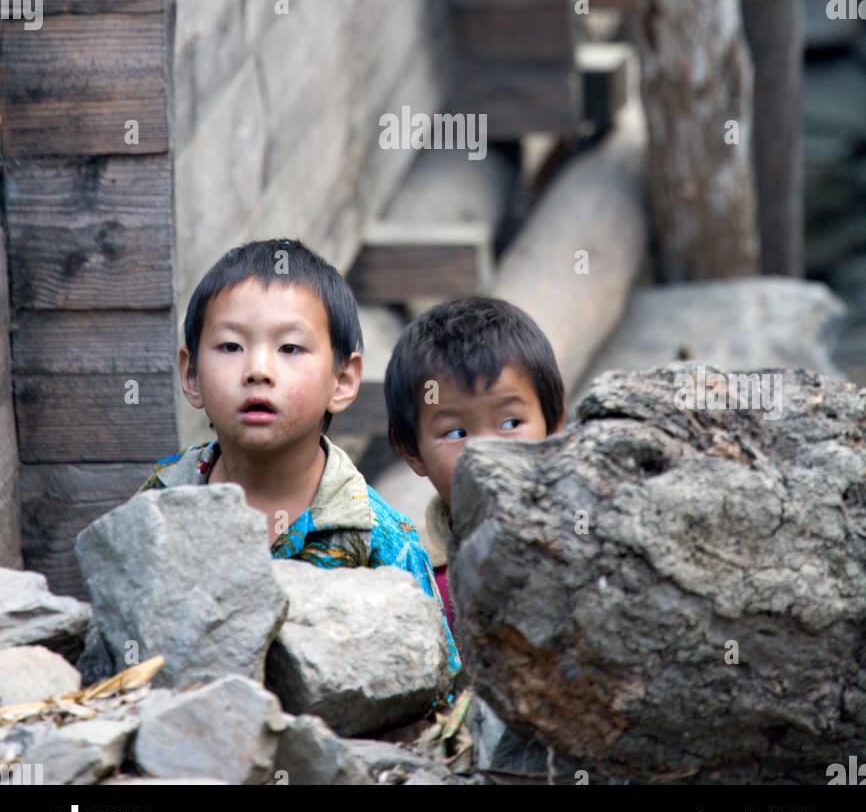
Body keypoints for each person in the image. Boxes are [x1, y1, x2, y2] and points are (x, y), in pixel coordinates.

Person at [137, 237, 459, 671]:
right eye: (231, 346)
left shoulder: (376, 536)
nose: (258, 370)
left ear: (343, 381)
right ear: (191, 375)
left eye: (289, 348)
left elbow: (438, 678)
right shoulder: (162, 499)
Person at [385, 295, 566, 632]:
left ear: (554, 425)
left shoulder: (588, 544)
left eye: (510, 424)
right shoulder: (411, 577)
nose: (485, 454)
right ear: (412, 452)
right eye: (456, 432)